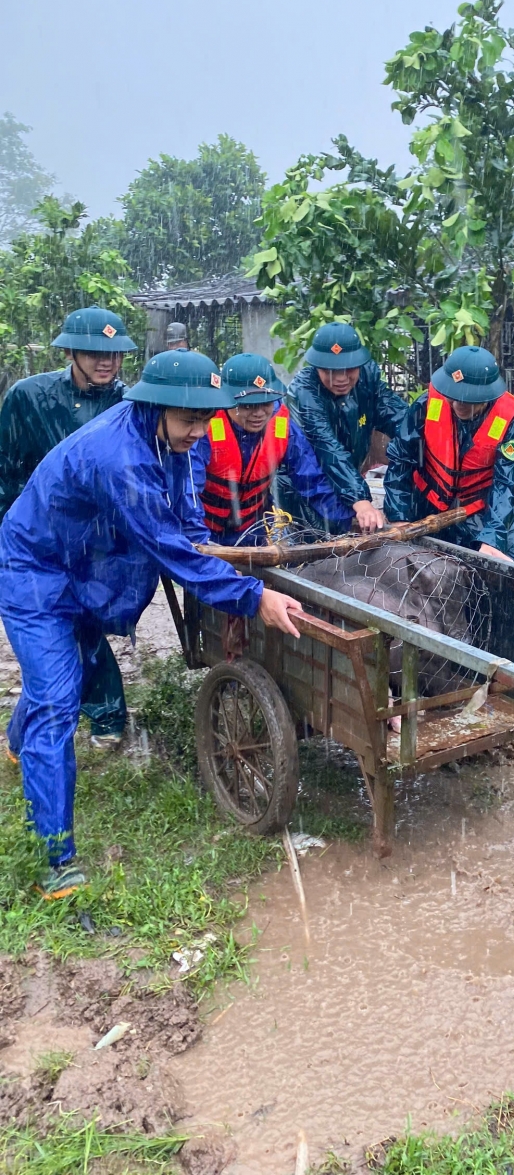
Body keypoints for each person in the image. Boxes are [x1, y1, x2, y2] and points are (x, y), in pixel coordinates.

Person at [0, 350, 304, 898]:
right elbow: (169, 550)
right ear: (157, 406)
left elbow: (184, 516)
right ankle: (56, 861)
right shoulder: (119, 456)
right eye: (191, 419)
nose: (200, 430)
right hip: (37, 567)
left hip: (88, 559)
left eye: (208, 418)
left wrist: (203, 541)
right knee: (58, 700)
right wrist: (253, 597)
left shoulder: (173, 438)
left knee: (69, 667)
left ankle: (18, 742)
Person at [0, 306, 138, 752]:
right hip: (38, 540)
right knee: (59, 632)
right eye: (96, 353)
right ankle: (100, 715)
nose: (107, 363)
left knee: (90, 622)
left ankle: (51, 725)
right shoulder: (29, 397)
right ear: (71, 352)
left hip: (100, 542)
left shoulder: (129, 404)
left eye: (115, 354)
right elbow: (5, 470)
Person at [192, 352, 354, 545]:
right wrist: (201, 543)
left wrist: (350, 517)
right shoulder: (205, 427)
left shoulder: (281, 425)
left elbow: (312, 479)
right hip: (204, 528)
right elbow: (187, 494)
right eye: (248, 406)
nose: (259, 413)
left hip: (252, 528)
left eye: (266, 403)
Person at [383, 345, 514, 562]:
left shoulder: (511, 420)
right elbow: (400, 460)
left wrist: (492, 538)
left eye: (468, 399)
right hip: (427, 505)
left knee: (509, 578)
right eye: (453, 396)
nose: (458, 404)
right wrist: (398, 515)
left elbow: (504, 484)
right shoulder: (427, 405)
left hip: (483, 511)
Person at [282, 323, 407, 534]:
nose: (340, 379)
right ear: (317, 367)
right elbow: (327, 447)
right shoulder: (305, 392)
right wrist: (361, 500)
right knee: (312, 543)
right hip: (306, 483)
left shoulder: (368, 379)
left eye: (349, 369)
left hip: (346, 477)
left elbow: (399, 418)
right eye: (330, 371)